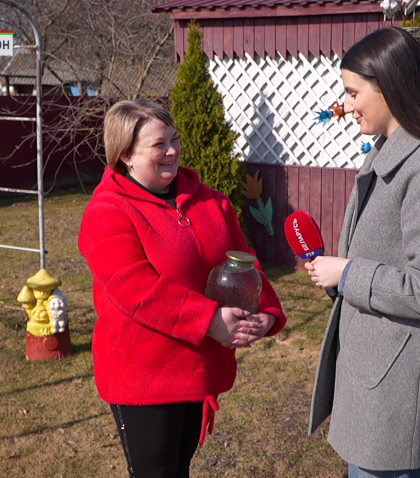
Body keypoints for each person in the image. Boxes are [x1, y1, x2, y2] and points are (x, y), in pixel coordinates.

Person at [304, 27, 420, 478]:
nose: (343, 104)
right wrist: (338, 275)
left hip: (394, 384)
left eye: (352, 91)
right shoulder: (389, 151)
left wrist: (347, 273)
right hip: (376, 369)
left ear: (390, 87)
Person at [78, 99, 287, 478]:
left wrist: (265, 313)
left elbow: (245, 261)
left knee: (180, 468)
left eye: (174, 140)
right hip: (142, 375)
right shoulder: (107, 211)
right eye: (159, 145)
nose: (172, 151)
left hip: (197, 368)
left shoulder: (211, 202)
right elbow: (136, 289)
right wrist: (209, 320)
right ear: (125, 155)